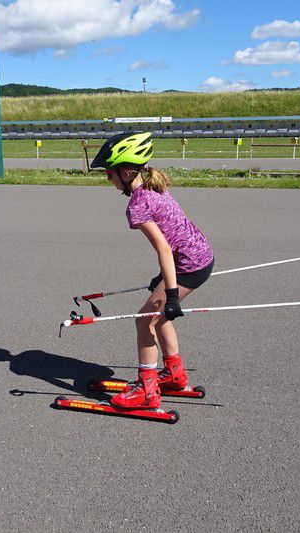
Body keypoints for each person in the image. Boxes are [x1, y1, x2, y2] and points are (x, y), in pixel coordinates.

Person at [90, 132, 214, 410]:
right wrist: (164, 278)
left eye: (109, 175)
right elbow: (175, 233)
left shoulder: (137, 205)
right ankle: (173, 374)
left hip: (187, 265)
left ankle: (146, 390)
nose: (107, 180)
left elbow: (164, 249)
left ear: (124, 172)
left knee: (144, 320)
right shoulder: (153, 187)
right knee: (159, 318)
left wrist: (170, 294)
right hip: (200, 255)